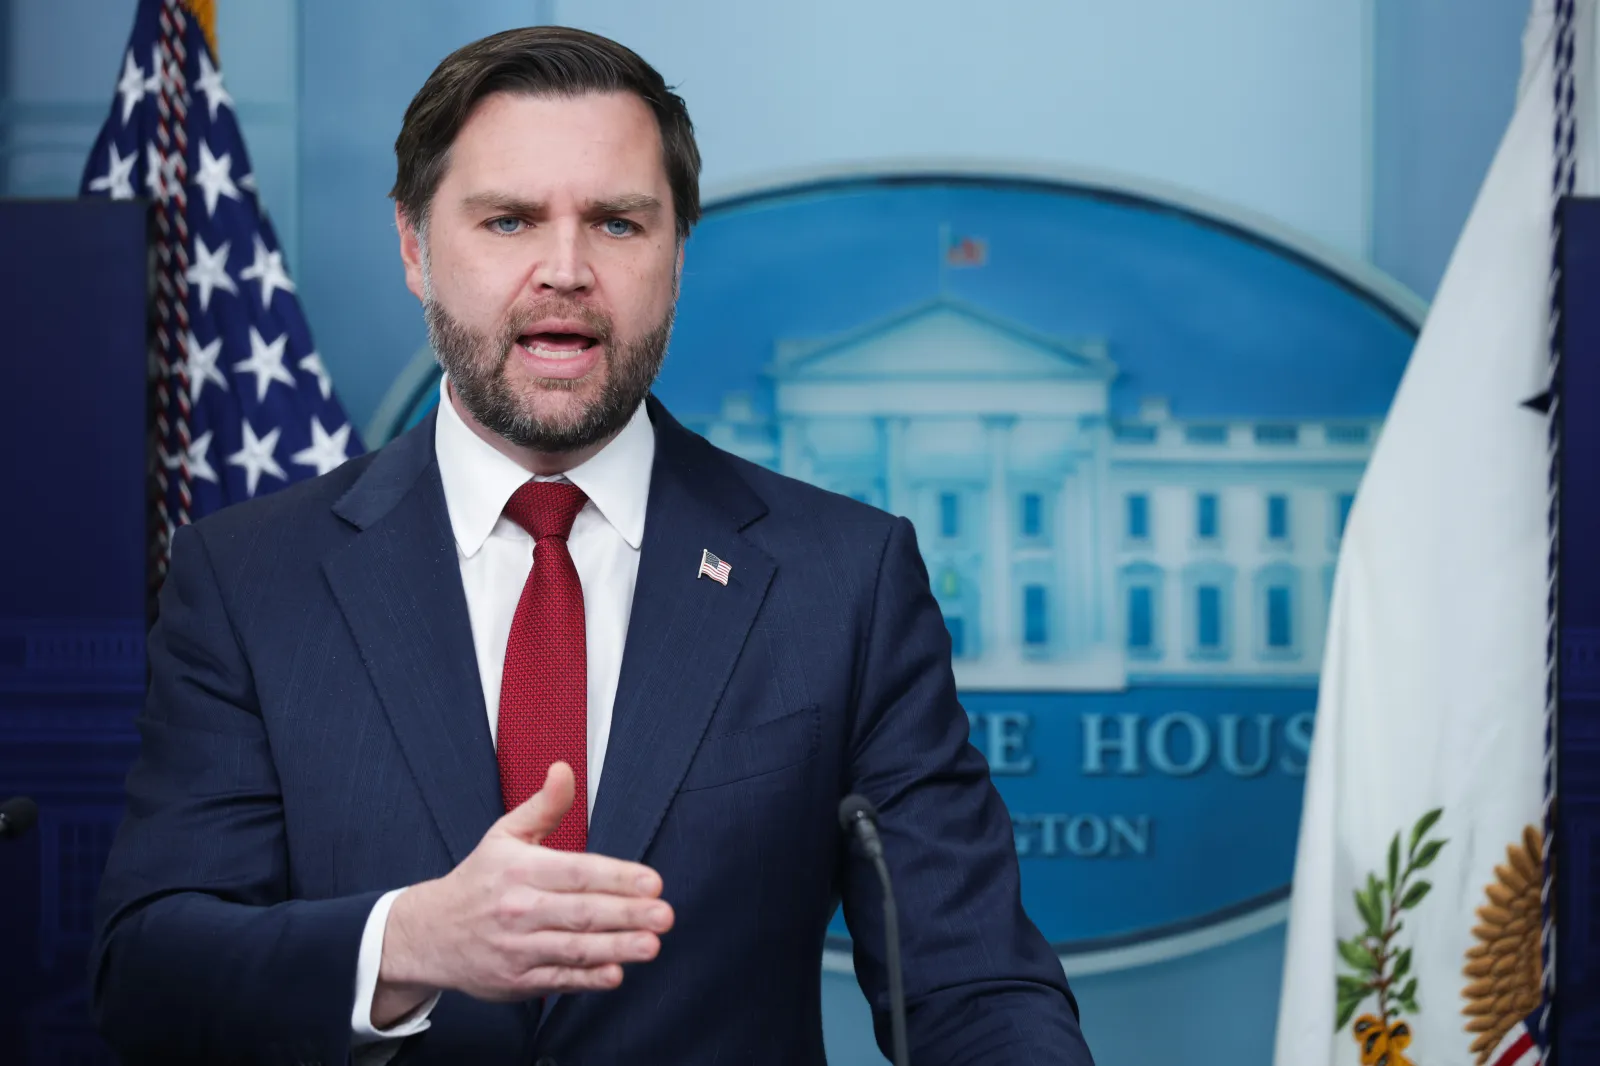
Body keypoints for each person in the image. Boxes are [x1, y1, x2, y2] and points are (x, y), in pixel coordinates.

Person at [91, 26, 1095, 1066]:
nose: (565, 271)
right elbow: (151, 975)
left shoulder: (844, 580)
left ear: (675, 258)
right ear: (415, 248)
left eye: (617, 223)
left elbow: (975, 988)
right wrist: (412, 941)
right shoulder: (248, 579)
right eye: (510, 219)